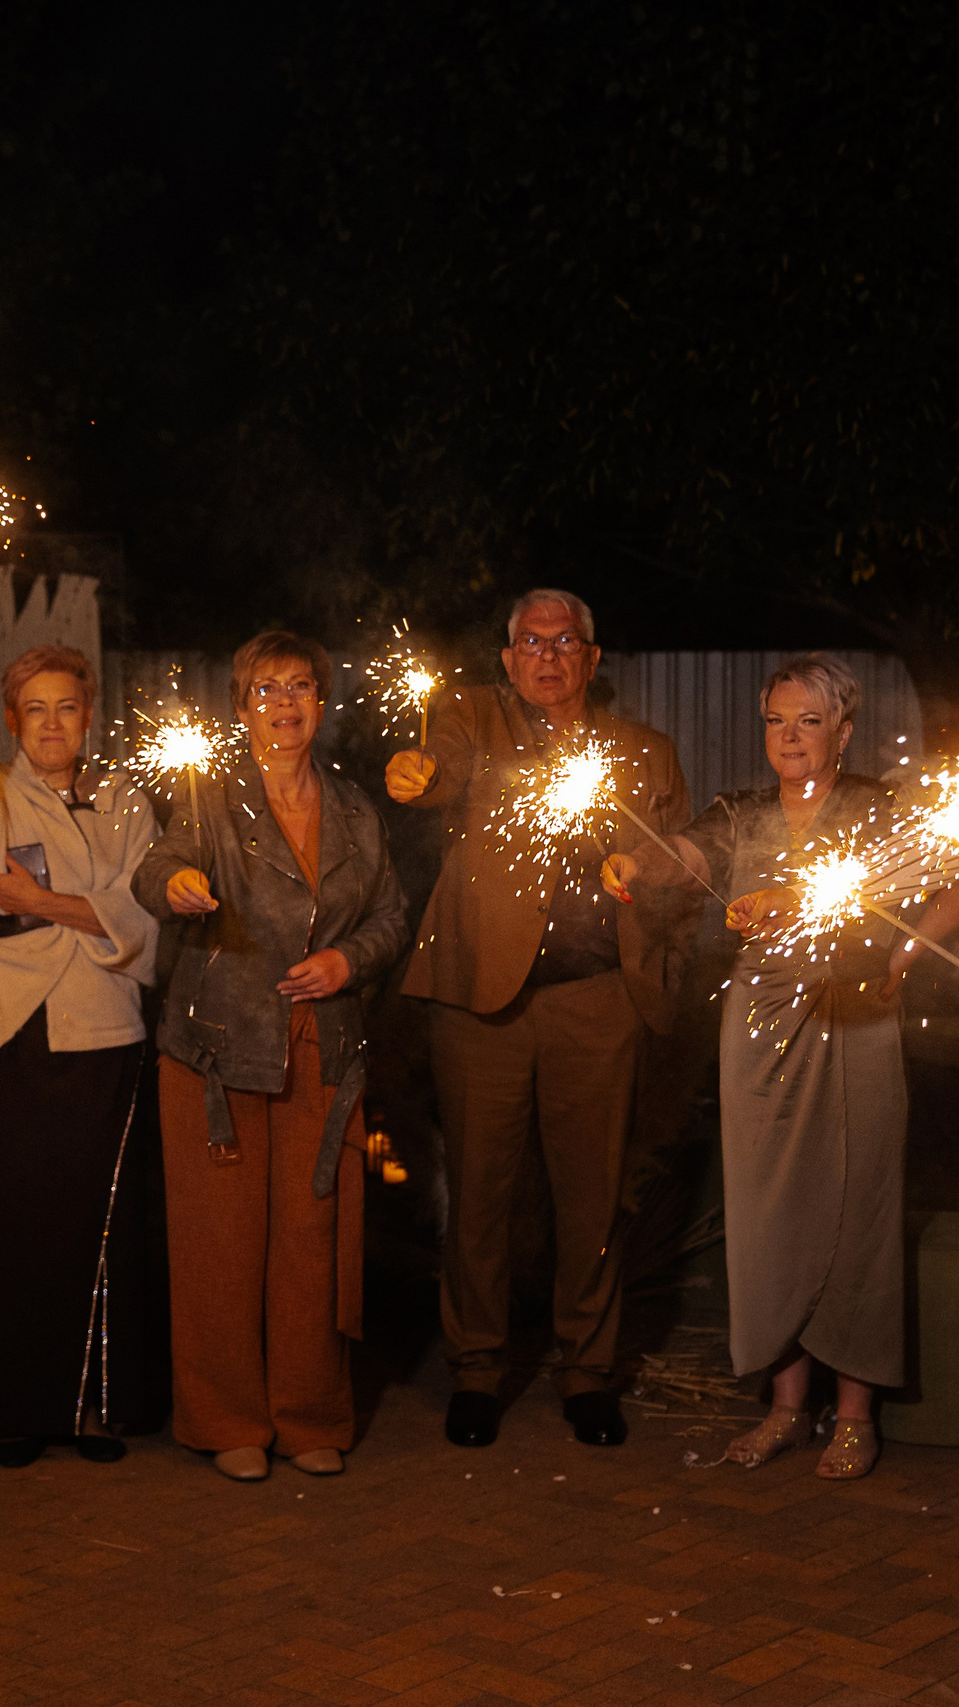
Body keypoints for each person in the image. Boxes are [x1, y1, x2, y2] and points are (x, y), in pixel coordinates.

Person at [383, 589, 691, 1451]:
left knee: (591, 1197)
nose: (548, 656)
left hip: (598, 999)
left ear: (593, 660)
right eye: (530, 642)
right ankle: (476, 1369)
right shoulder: (473, 719)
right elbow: (435, 767)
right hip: (484, 996)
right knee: (479, 1190)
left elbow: (676, 865)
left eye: (566, 642)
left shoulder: (646, 754)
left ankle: (586, 1371)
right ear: (509, 659)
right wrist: (418, 775)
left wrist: (653, 912)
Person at [670, 654, 959, 1480]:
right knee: (768, 1211)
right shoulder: (743, 811)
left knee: (858, 1203)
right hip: (759, 1023)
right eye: (776, 719)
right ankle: (785, 1406)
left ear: (843, 728)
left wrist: (903, 956)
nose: (790, 736)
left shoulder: (877, 810)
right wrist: (634, 865)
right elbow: (682, 855)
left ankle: (854, 1413)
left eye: (809, 720)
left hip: (857, 1015)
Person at [135, 631, 407, 1481]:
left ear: (321, 705)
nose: (284, 705)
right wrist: (176, 887)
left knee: (310, 1233)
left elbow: (392, 918)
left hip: (321, 1049)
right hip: (216, 1051)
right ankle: (226, 1418)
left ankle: (310, 1412)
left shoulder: (357, 809)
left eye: (299, 689)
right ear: (241, 706)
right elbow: (160, 864)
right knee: (220, 1239)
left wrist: (346, 961)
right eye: (265, 690)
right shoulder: (207, 797)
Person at [0, 641, 162, 1468]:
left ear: (88, 715)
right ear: (11, 721)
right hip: (15, 1030)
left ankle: (97, 1404)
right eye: (36, 709)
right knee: (19, 1222)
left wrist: (46, 902)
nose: (53, 723)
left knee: (101, 1224)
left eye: (68, 706)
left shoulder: (126, 800)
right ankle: (21, 1408)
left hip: (105, 1026)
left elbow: (143, 909)